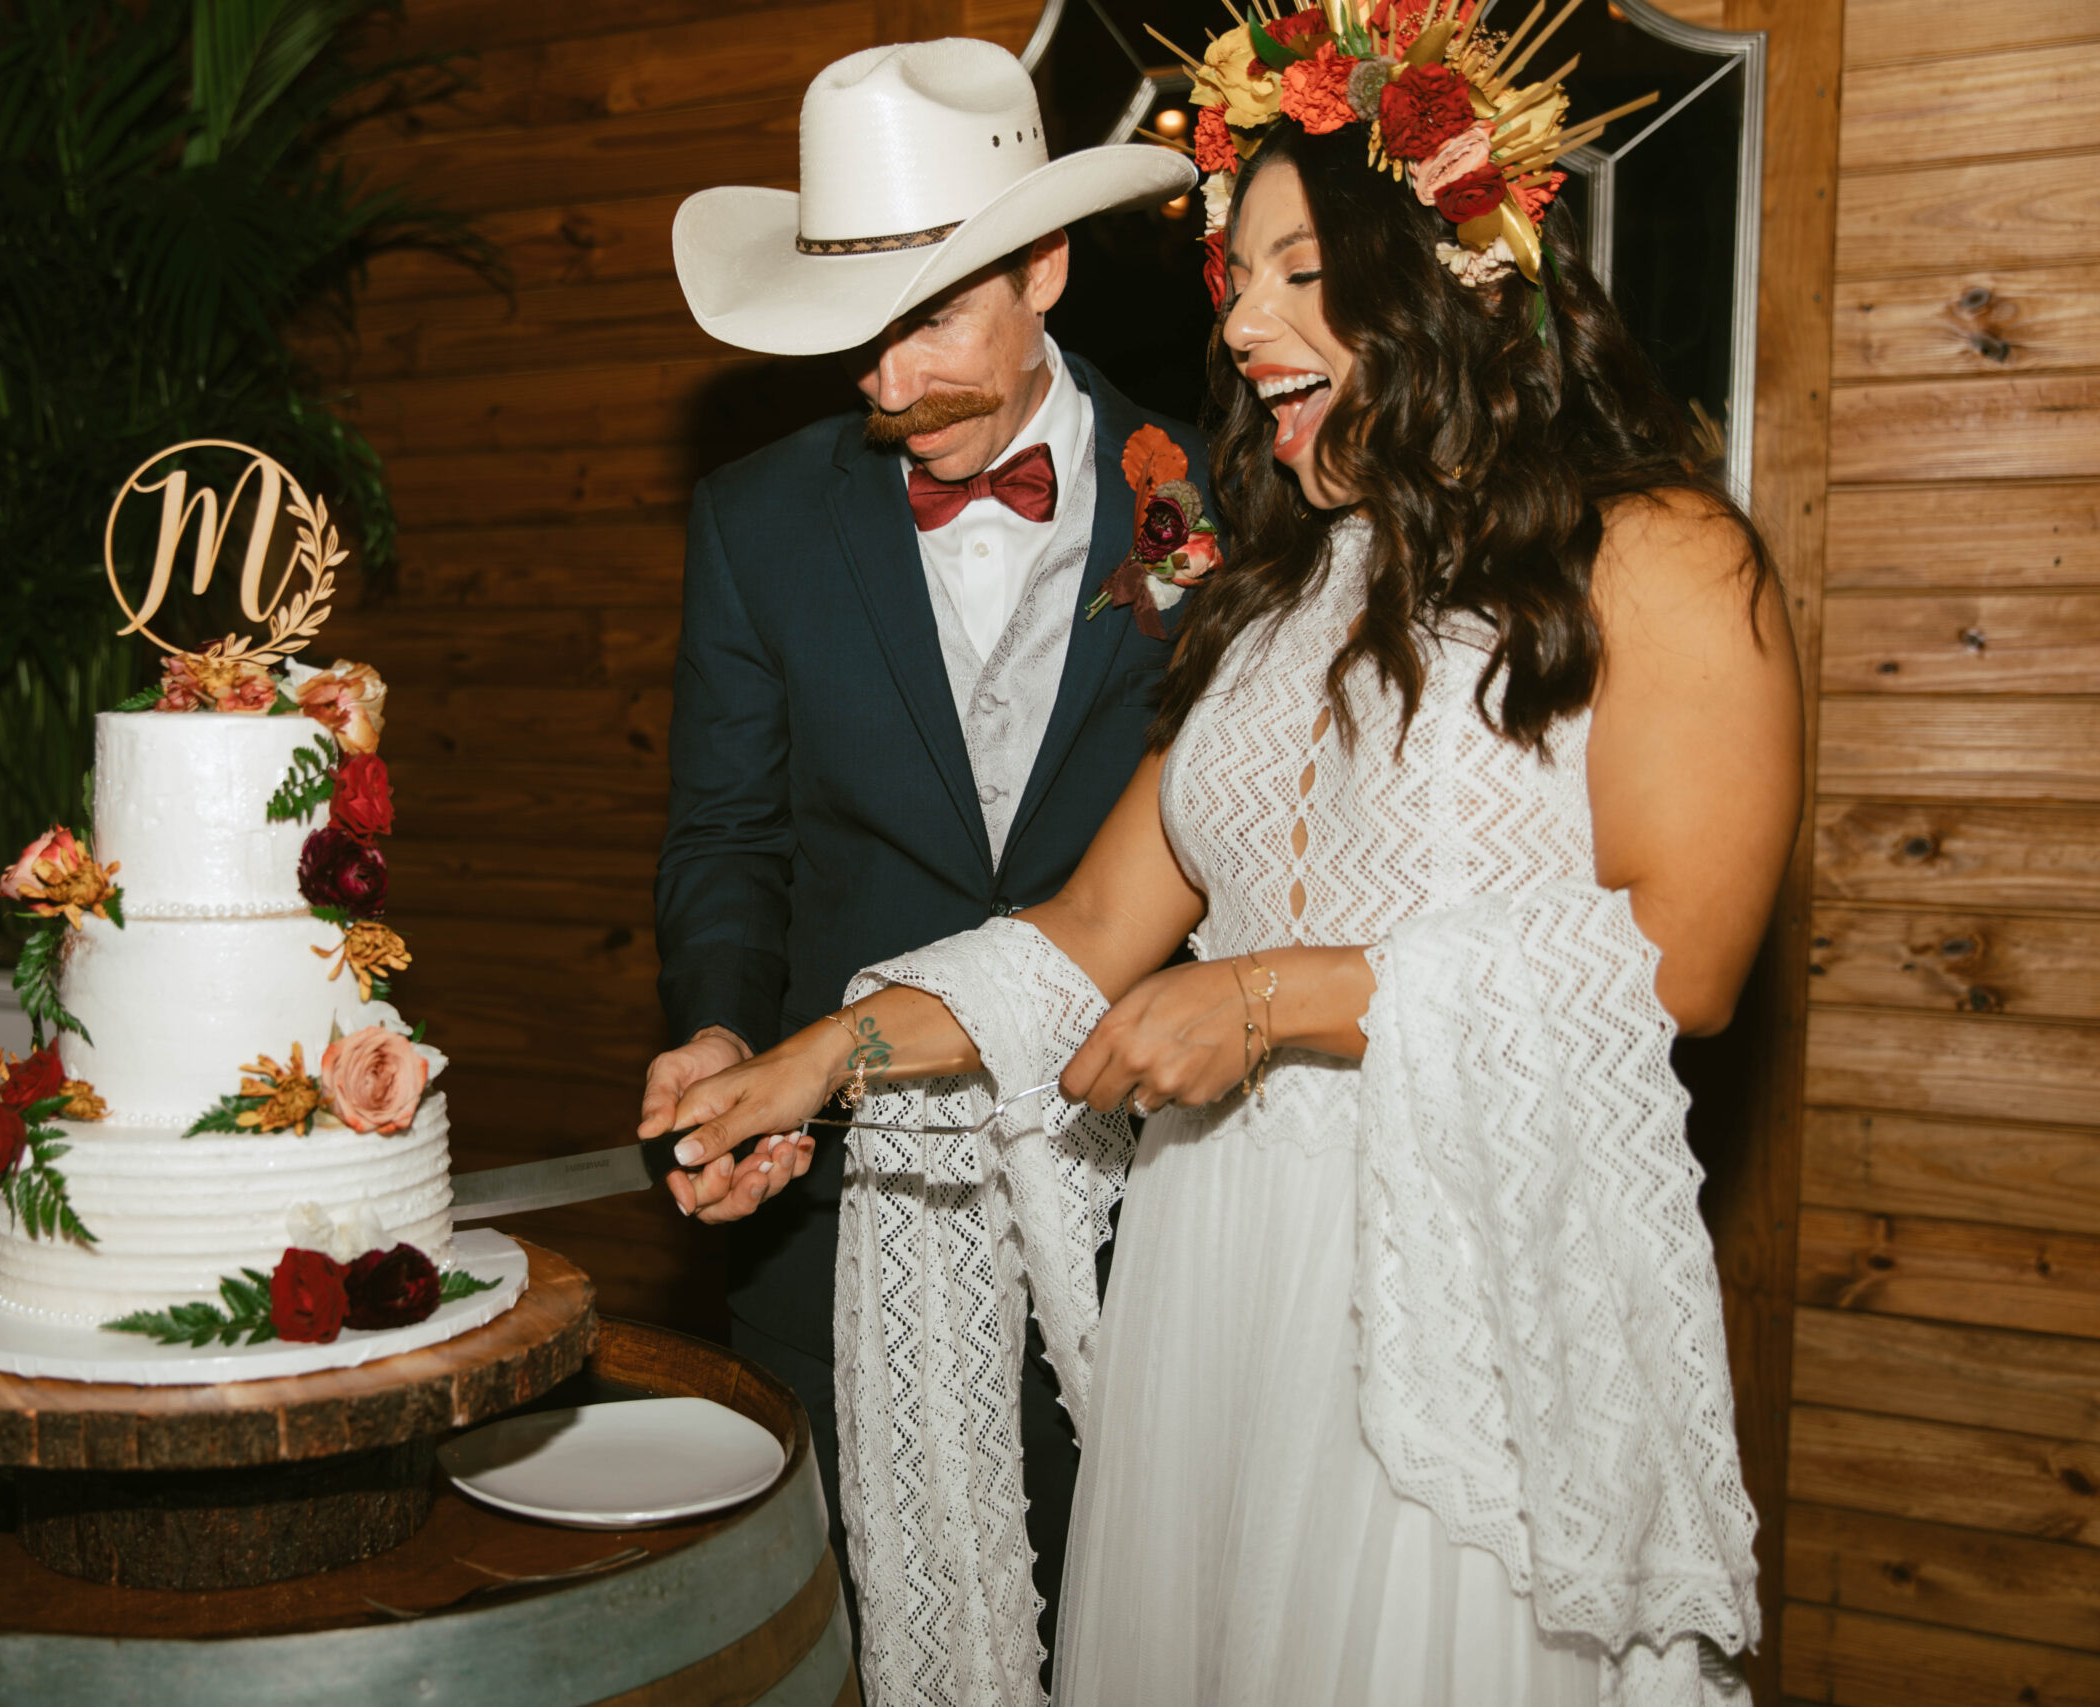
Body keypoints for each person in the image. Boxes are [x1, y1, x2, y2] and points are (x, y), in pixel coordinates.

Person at [664, 11, 1800, 1704]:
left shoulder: (1664, 554)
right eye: (1236, 276)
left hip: (1445, 1302)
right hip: (1217, 1294)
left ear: (1449, 275)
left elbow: (1686, 965)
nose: (1242, 317)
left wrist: (1274, 1001)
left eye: (1296, 272)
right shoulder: (1278, 600)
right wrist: (821, 1057)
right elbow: (1091, 930)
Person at [640, 35, 1200, 1673]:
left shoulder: (1218, 500)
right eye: (855, 341)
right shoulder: (757, 518)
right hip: (839, 1224)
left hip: (1145, 1208)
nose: (886, 386)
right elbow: (727, 834)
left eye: (931, 324)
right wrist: (728, 1029)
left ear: (1047, 267)